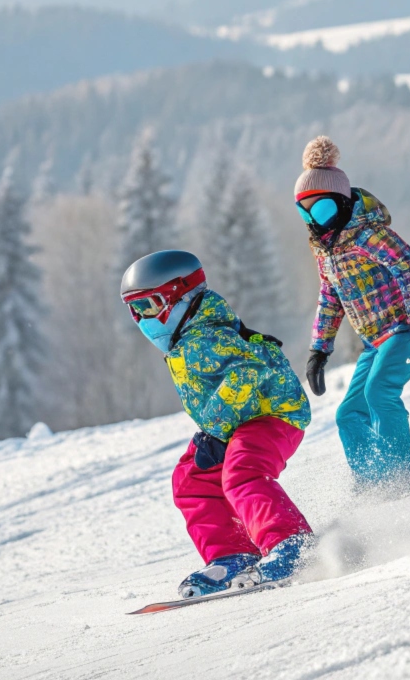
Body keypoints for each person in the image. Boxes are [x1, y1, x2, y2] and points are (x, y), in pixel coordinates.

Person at [120, 249, 313, 597]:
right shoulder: (189, 336)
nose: (141, 319)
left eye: (148, 306)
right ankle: (233, 553)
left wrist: (217, 429)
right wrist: (217, 430)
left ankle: (292, 545)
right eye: (134, 310)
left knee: (242, 472)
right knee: (190, 479)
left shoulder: (206, 337)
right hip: (238, 421)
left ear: (182, 295)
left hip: (273, 414)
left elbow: (248, 371)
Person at [294, 135, 410, 490]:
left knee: (379, 393)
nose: (316, 221)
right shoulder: (325, 249)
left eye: (323, 209)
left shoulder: (367, 233)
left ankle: (404, 479)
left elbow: (406, 265)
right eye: (305, 211)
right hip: (373, 342)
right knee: (348, 414)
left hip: (403, 331)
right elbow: (330, 295)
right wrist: (319, 349)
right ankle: (374, 486)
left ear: (343, 202)